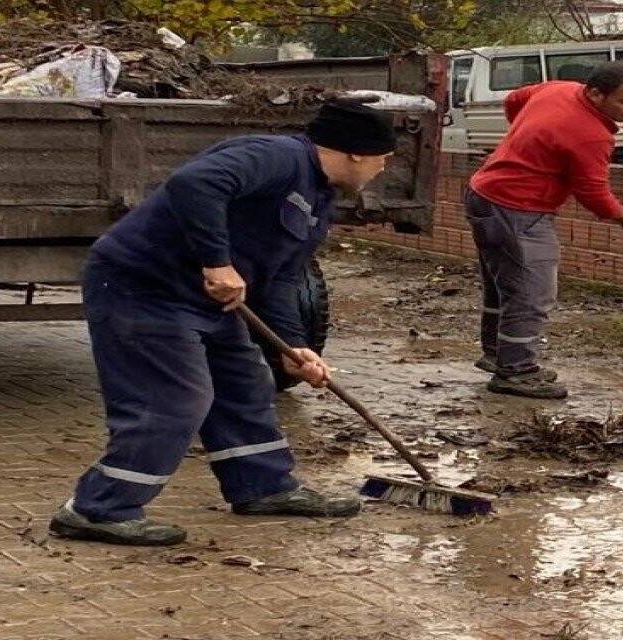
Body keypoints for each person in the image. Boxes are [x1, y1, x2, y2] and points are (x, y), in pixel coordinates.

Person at [49, 100, 398, 546]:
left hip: (204, 300)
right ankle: (97, 509)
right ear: (356, 152)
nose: (383, 169)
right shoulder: (277, 157)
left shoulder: (318, 200)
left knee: (245, 382)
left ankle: (263, 487)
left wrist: (292, 347)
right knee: (176, 399)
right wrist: (217, 262)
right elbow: (195, 182)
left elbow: (280, 279)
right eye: (382, 159)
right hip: (144, 286)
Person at [465, 61, 623, 400]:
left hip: (485, 195)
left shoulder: (558, 89)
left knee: (503, 285)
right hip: (518, 209)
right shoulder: (590, 134)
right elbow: (593, 192)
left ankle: (499, 355)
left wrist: (530, 141)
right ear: (596, 93)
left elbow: (514, 100)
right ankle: (517, 372)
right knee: (531, 292)